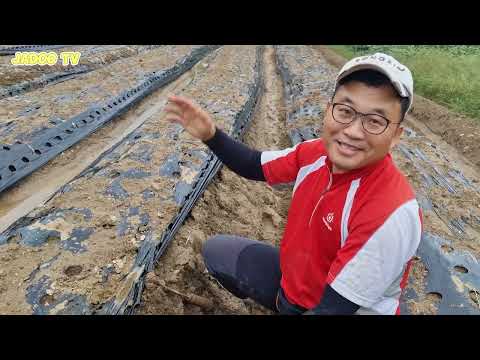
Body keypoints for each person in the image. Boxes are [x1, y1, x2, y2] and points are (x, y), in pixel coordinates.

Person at [164, 52, 422, 315]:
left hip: (336, 308)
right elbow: (253, 164)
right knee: (218, 252)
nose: (354, 131)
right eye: (345, 111)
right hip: (295, 285)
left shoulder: (390, 213)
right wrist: (211, 135)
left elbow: (332, 310)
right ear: (328, 110)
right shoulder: (315, 153)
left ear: (395, 136)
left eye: (375, 121)